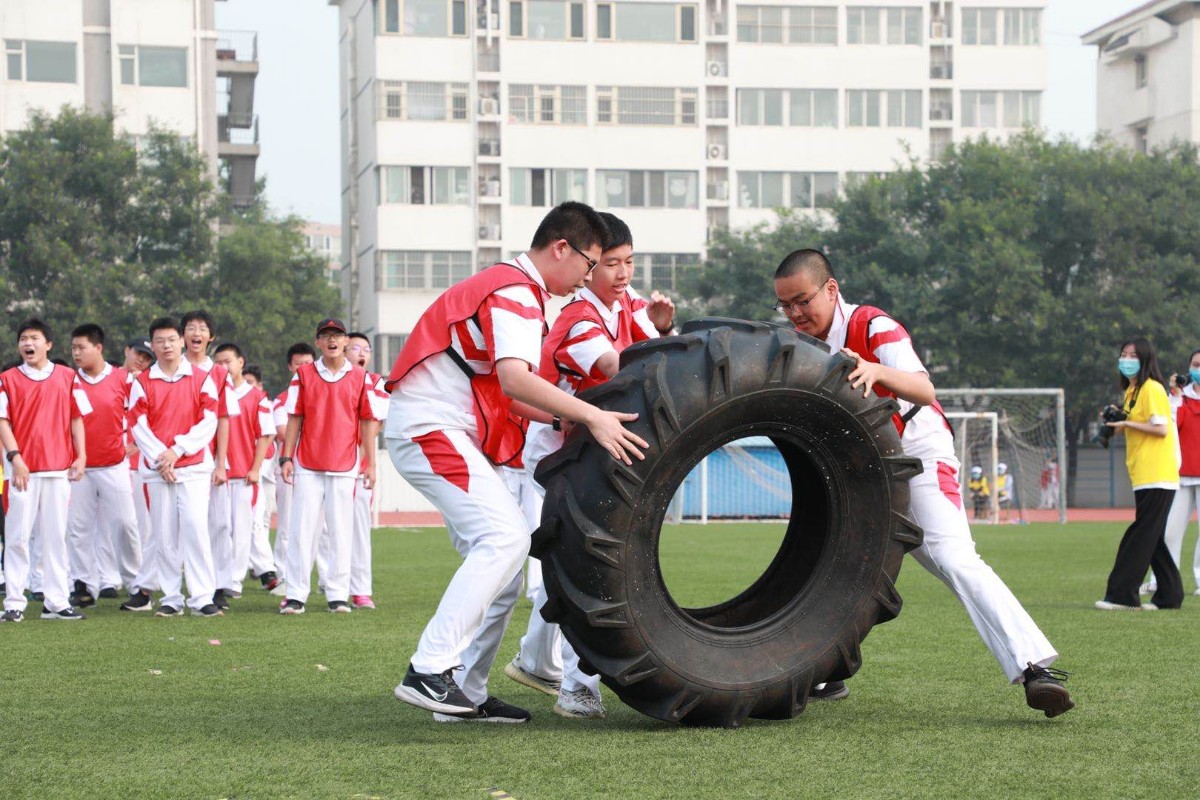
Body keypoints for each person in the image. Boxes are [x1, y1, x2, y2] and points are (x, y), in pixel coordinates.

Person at [772, 249, 1073, 717]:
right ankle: (825, 673)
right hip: (865, 460)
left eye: (801, 300)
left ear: (831, 289)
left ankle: (1035, 668)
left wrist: (875, 370)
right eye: (784, 305)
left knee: (953, 558)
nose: (793, 313)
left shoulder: (872, 324)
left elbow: (924, 388)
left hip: (919, 450)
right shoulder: (803, 339)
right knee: (840, 560)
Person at [385, 201, 647, 723]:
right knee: (505, 539)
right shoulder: (514, 291)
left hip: (447, 427)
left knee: (505, 568)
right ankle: (429, 669)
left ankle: (466, 693)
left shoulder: (512, 287)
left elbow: (512, 393)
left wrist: (566, 419)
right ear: (561, 249)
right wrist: (591, 416)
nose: (588, 278)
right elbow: (515, 380)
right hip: (431, 427)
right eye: (591, 265)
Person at [504, 212, 675, 720]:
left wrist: (663, 329)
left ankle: (538, 662)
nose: (622, 274)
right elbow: (623, 370)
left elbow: (658, 350)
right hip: (560, 454)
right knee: (582, 565)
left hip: (591, 451)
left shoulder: (629, 308)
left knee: (566, 566)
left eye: (629, 263)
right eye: (610, 264)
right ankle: (573, 682)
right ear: (589, 262)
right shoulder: (579, 317)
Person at [278, 318, 385, 615]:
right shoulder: (304, 374)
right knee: (302, 530)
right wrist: (286, 457)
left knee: (341, 531)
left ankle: (338, 594)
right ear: (318, 342)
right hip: (308, 463)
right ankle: (296, 593)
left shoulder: (359, 377)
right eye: (326, 336)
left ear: (346, 340)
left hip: (344, 463)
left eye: (337, 335)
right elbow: (295, 417)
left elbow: (367, 420)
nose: (332, 340)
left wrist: (371, 465)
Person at [120, 317, 223, 617]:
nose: (166, 346)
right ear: (152, 346)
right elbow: (137, 424)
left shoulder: (202, 378)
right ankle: (171, 597)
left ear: (181, 342)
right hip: (157, 469)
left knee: (194, 529)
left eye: (171, 340)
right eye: (159, 341)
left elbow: (210, 420)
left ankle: (202, 597)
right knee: (164, 535)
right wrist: (160, 458)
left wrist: (176, 451)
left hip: (192, 467)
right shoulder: (142, 382)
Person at [0, 319, 91, 622]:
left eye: (35, 338)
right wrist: (16, 459)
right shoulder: (8, 379)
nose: (28, 343)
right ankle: (14, 602)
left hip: (57, 470)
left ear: (48, 344)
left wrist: (81, 456)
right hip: (23, 472)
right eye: (23, 338)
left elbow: (77, 418)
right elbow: (3, 422)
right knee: (17, 537)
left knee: (55, 537)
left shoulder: (67, 377)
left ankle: (56, 601)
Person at [1096, 338, 1184, 611]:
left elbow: (1160, 429)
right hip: (1143, 474)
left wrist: (1124, 422)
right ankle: (1170, 596)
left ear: (1144, 359)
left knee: (1139, 535)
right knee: (1152, 537)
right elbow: (1137, 424)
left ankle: (1122, 595)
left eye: (1132, 355)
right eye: (1123, 354)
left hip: (1158, 473)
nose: (1126, 359)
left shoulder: (1152, 389)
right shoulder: (1132, 391)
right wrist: (1116, 422)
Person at [64, 324, 141, 606]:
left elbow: (141, 414)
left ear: (98, 348)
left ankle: (136, 584)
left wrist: (135, 444)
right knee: (78, 528)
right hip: (78, 468)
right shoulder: (69, 381)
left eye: (81, 347)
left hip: (114, 464)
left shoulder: (125, 379)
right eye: (73, 348)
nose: (76, 353)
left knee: (125, 524)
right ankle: (84, 585)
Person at [209, 344, 276, 608]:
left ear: (240, 362)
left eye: (228, 361)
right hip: (218, 475)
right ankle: (218, 581)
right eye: (219, 363)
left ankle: (231, 583)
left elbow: (266, 435)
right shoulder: (213, 393)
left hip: (244, 475)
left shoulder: (257, 397)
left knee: (242, 532)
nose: (223, 367)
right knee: (219, 529)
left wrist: (256, 468)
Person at [1148, 354, 1200, 597]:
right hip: (1179, 473)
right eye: (1196, 365)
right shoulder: (1180, 396)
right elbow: (1168, 426)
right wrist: (1175, 394)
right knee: (1169, 530)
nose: (1198, 369)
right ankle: (1161, 580)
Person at [346, 332, 388, 610]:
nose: (362, 353)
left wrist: (369, 461)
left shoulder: (375, 383)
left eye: (366, 349)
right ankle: (331, 584)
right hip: (321, 464)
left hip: (357, 466)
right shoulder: (323, 377)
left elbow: (375, 422)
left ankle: (360, 589)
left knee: (359, 529)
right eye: (356, 348)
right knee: (323, 530)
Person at [272, 343, 317, 591]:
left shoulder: (322, 393)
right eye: (299, 364)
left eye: (308, 364)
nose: (304, 368)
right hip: (292, 466)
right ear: (291, 367)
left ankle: (314, 576)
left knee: (322, 529)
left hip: (320, 466)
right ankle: (283, 575)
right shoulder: (282, 399)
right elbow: (282, 431)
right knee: (289, 523)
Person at [242, 364, 280, 591]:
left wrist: (257, 468)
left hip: (261, 471)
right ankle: (264, 570)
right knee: (251, 522)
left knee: (260, 521)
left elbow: (268, 436)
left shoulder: (262, 403)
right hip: (238, 471)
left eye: (251, 382)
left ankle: (261, 568)